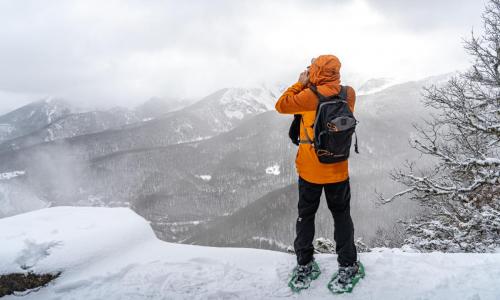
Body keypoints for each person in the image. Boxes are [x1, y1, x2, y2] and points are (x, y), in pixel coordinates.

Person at [275, 54, 361, 291]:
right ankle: (348, 265)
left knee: (306, 216)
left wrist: (301, 83)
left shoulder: (308, 96)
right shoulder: (348, 94)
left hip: (310, 171)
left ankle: (304, 264)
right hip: (338, 170)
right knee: (342, 216)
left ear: (315, 71)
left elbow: (281, 105)